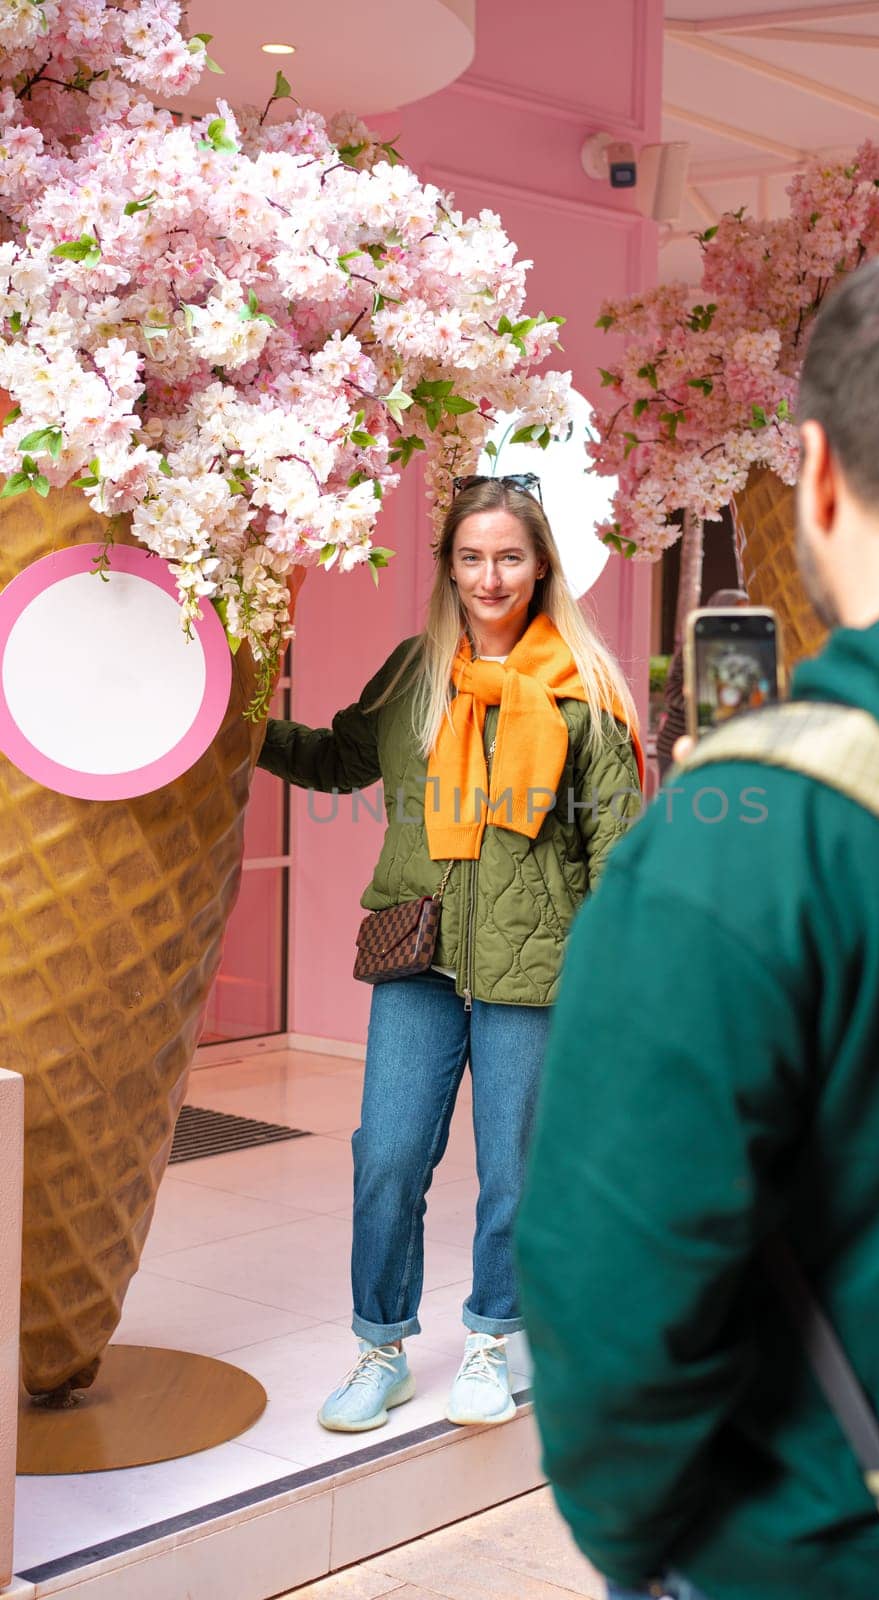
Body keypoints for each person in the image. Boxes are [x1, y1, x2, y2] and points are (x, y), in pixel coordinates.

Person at [515, 247, 879, 1599]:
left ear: (814, 471)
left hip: (823, 1550)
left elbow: (612, 1283)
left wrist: (653, 1551)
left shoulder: (736, 835)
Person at [258, 473, 642, 1432]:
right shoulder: (412, 674)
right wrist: (234, 726)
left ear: (540, 564)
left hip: (537, 968)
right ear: (448, 568)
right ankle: (379, 1348)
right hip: (417, 953)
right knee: (385, 1157)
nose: (489, 575)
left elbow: (619, 855)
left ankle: (489, 1342)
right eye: (471, 557)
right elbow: (337, 759)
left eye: (508, 556)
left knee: (514, 1170)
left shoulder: (583, 692)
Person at [654, 588, 748, 779]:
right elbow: (672, 693)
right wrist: (704, 707)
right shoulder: (693, 647)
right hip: (676, 744)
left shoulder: (740, 653)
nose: (742, 619)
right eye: (736, 612)